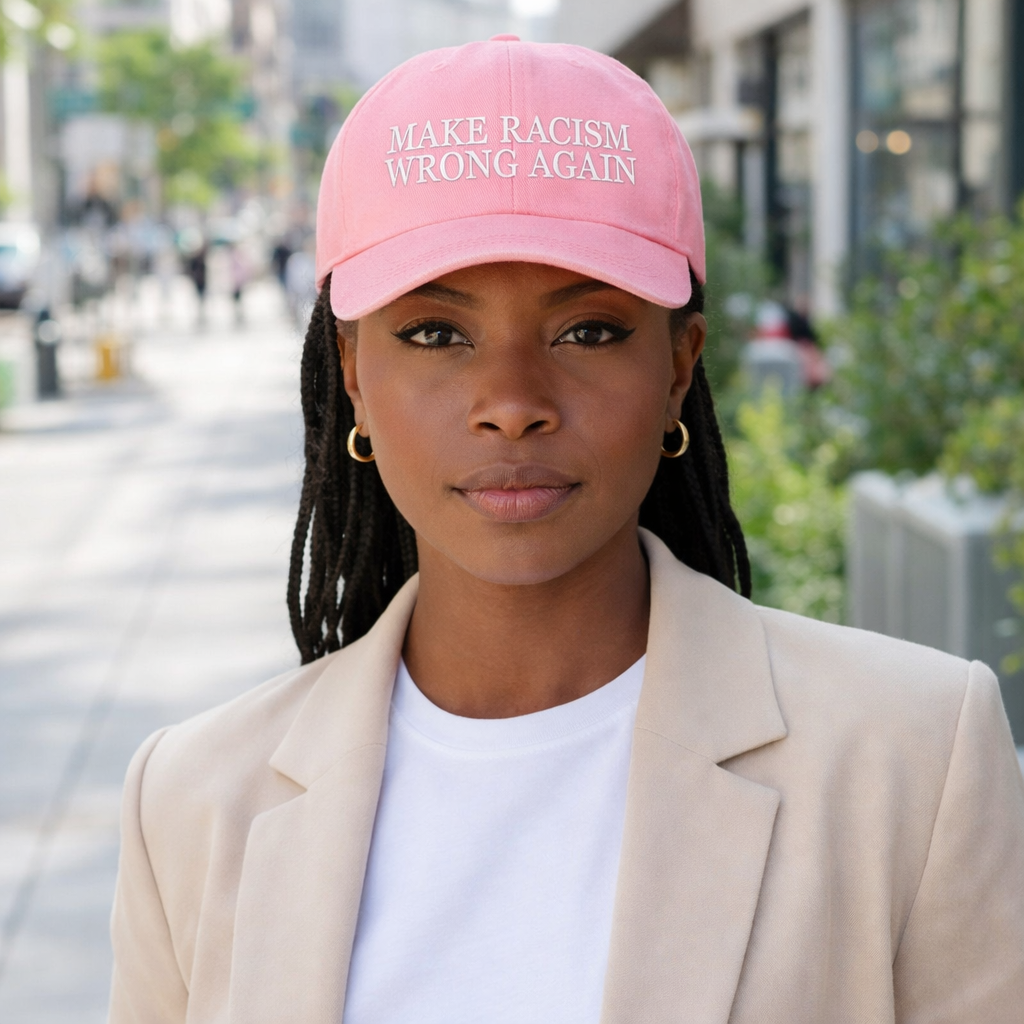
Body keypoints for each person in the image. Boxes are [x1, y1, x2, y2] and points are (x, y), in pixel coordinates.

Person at [108, 37, 1024, 1024]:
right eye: (435, 333)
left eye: (587, 329)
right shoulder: (192, 803)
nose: (511, 402)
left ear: (680, 364)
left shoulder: (913, 759)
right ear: (355, 374)